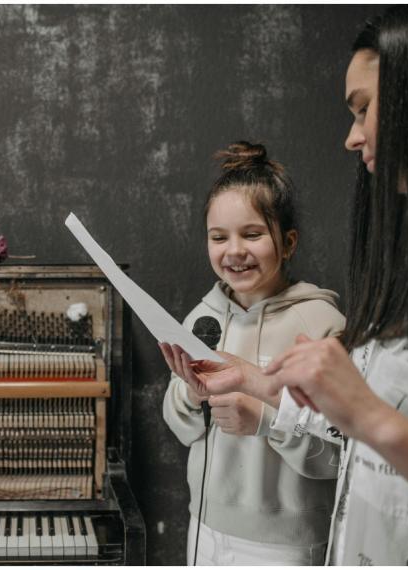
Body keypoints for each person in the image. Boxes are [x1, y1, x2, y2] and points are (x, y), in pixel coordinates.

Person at [164, 6, 408, 565]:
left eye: (364, 108)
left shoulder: (324, 316)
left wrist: (361, 415)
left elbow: (366, 438)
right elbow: (357, 448)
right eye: (218, 237)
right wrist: (251, 381)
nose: (352, 138)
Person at [161, 141, 346, 566]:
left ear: (288, 242)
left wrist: (265, 420)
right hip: (204, 528)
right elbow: (180, 426)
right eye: (218, 237)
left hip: (285, 544)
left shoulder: (320, 323)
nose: (234, 251)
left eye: (252, 234)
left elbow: (340, 452)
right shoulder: (201, 319)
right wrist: (191, 394)